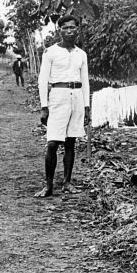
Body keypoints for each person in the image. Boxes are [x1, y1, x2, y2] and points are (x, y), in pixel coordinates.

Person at [35, 15, 90, 197]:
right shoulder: (50, 52)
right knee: (52, 143)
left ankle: (67, 182)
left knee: (70, 141)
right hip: (57, 97)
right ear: (59, 30)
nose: (69, 31)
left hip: (77, 98)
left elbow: (85, 81)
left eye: (72, 28)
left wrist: (87, 106)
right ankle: (49, 185)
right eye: (65, 28)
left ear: (77, 29)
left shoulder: (81, 54)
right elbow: (43, 80)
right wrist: (44, 106)